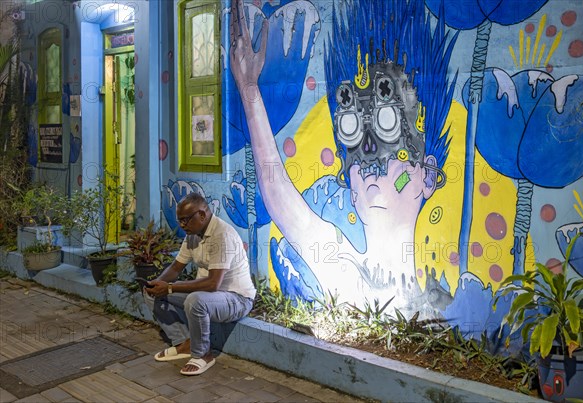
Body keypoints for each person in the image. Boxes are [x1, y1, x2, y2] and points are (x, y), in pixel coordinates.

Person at [229, 0, 453, 315]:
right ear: (351, 185)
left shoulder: (440, 308)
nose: (372, 164)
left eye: (389, 128)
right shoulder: (341, 266)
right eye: (356, 152)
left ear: (427, 177)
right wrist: (249, 88)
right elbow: (279, 195)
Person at [145, 193, 256, 376]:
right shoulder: (193, 235)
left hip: (236, 299)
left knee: (195, 300)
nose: (182, 225)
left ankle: (203, 354)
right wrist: (158, 283)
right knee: (151, 293)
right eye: (179, 220)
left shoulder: (222, 235)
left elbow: (213, 283)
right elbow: (175, 267)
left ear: (202, 215)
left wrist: (171, 287)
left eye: (186, 220)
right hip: (211, 297)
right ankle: (184, 343)